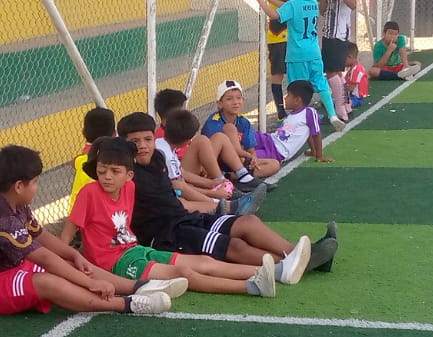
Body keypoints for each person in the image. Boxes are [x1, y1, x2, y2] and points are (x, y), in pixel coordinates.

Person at [0, 145, 180, 317]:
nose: (37, 187)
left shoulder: (9, 199)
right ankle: (126, 304)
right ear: (19, 186)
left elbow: (40, 235)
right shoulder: (2, 220)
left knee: (70, 263)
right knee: (47, 282)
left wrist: (73, 254)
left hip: (9, 268)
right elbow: (44, 257)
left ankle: (139, 287)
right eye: (35, 182)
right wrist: (89, 283)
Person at [60, 139, 278, 298]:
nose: (107, 177)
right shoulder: (89, 193)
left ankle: (270, 272)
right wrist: (65, 265)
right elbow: (68, 233)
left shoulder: (130, 188)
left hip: (134, 249)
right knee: (182, 273)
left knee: (203, 261)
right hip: (114, 263)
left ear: (129, 175)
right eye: (102, 171)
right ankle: (251, 286)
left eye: (115, 171)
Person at [119, 112, 313, 281]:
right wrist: (211, 199)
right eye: (134, 142)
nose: (142, 146)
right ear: (123, 144)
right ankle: (291, 265)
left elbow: (175, 190)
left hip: (185, 218)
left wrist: (208, 193)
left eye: (148, 139)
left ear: (155, 138)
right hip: (166, 235)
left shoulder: (158, 158)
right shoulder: (125, 174)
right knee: (236, 246)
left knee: (248, 222)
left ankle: (298, 253)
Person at [250, 0, 344, 128]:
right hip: (314, 53)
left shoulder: (292, 5)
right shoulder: (313, 3)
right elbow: (291, 6)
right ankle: (333, 115)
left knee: (297, 89)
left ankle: (299, 121)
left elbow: (275, 15)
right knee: (321, 83)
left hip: (296, 55)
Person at [153, 86, 258, 197]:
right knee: (201, 140)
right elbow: (178, 171)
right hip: (184, 176)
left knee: (219, 137)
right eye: (183, 109)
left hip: (195, 170)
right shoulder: (162, 139)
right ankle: (222, 183)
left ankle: (242, 177)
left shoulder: (178, 130)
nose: (186, 112)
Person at [201, 80, 282, 179]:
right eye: (229, 99)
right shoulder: (213, 122)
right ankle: (239, 176)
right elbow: (215, 152)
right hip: (217, 162)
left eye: (238, 98)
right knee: (230, 129)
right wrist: (246, 155)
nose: (235, 102)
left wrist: (253, 159)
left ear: (243, 100)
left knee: (274, 164)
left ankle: (233, 176)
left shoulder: (244, 122)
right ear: (220, 103)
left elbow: (251, 150)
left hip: (238, 162)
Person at [265, 0, 308, 119]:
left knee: (292, 72)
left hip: (288, 38)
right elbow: (289, 5)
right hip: (278, 38)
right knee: (278, 74)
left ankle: (296, 108)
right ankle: (281, 111)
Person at [316, 0, 361, 92]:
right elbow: (323, 12)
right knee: (330, 70)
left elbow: (353, 4)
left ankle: (341, 98)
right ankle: (339, 97)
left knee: (333, 72)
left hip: (339, 35)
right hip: (327, 34)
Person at [272, 80, 333, 165]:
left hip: (275, 148)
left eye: (288, 95)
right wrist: (313, 151)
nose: (285, 98)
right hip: (271, 141)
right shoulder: (291, 116)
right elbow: (307, 132)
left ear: (297, 100)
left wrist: (319, 156)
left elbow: (316, 134)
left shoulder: (309, 112)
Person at [69, 105, 115, 214]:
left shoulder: (81, 160)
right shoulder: (117, 160)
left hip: (75, 215)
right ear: (114, 133)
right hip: (101, 214)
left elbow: (74, 162)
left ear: (83, 132)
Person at [344, 46, 370, 110]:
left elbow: (351, 88)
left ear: (349, 57)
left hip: (355, 98)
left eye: (342, 59)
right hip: (351, 95)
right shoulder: (352, 68)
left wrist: (340, 90)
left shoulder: (357, 70)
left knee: (341, 103)